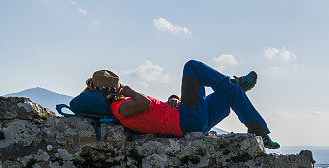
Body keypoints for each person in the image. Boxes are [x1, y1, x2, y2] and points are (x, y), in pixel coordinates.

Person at [86, 60, 279, 149]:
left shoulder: (123, 106)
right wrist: (129, 92)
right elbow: (144, 103)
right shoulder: (119, 108)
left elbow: (156, 110)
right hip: (188, 120)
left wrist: (174, 98)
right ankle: (232, 83)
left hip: (192, 120)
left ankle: (260, 133)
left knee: (232, 93)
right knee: (191, 66)